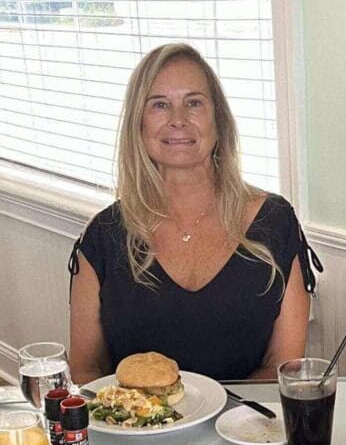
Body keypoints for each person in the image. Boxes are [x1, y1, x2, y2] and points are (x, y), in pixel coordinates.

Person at [69, 42, 319, 383]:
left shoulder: (274, 222)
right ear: (138, 125)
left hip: (247, 429)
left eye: (194, 103)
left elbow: (285, 366)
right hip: (136, 434)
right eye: (159, 105)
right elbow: (85, 370)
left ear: (218, 121)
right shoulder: (103, 235)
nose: (178, 120)